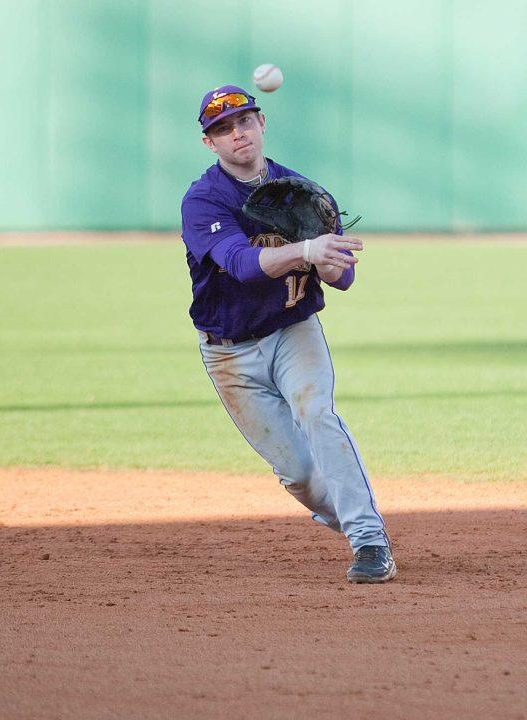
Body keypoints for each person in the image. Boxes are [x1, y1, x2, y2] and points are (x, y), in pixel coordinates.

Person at [179, 85, 395, 583]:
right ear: (209, 144)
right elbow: (239, 264)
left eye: (244, 122)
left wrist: (328, 252)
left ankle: (369, 541)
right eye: (222, 129)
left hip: (293, 331)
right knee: (298, 475)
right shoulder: (204, 199)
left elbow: (344, 279)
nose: (237, 134)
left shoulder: (303, 191)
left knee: (318, 414)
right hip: (229, 354)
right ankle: (360, 525)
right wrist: (305, 251)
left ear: (262, 124)